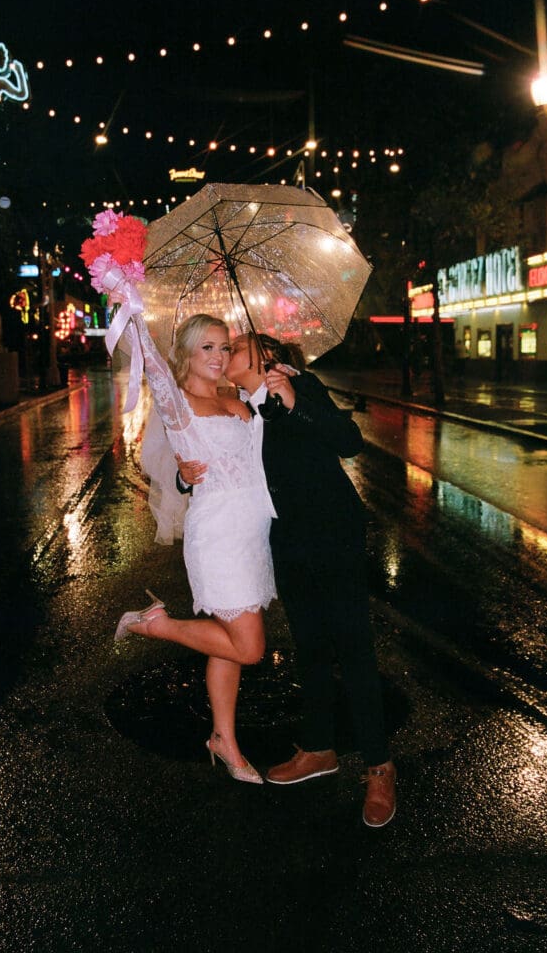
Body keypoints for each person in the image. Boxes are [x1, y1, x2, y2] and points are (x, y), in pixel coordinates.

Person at [179, 332, 396, 827]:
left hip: (332, 536)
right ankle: (319, 748)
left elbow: (349, 441)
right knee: (310, 648)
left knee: (353, 649)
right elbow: (224, 462)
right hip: (286, 543)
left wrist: (296, 403)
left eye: (235, 346)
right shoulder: (239, 406)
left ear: (265, 357)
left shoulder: (302, 386)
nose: (225, 353)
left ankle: (380, 767)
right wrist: (183, 476)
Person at [114, 313, 276, 784]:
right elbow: (150, 362)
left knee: (227, 646)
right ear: (185, 352)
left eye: (224, 348)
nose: (219, 357)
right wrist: (128, 297)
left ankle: (223, 739)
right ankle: (156, 625)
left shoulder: (237, 396)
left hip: (254, 534)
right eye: (207, 347)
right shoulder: (176, 402)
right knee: (249, 648)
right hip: (219, 537)